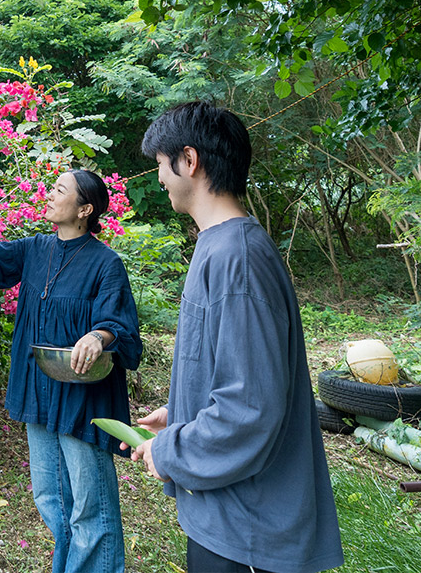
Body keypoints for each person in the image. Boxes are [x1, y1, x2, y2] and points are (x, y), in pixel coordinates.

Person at [125, 101, 343, 573]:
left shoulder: (236, 258)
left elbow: (250, 408)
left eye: (161, 165)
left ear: (189, 160)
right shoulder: (219, 246)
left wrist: (171, 450)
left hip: (248, 530)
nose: (160, 178)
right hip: (225, 518)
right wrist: (181, 412)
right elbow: (230, 369)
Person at [0, 169, 142, 573]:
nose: (49, 194)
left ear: (84, 209)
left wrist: (98, 337)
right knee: (51, 498)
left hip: (84, 400)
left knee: (89, 506)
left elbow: (120, 325)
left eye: (59, 190)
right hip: (39, 393)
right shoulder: (35, 250)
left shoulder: (106, 263)